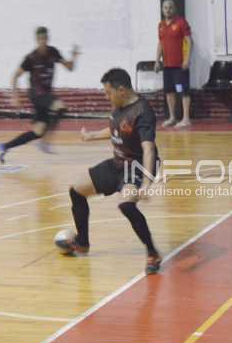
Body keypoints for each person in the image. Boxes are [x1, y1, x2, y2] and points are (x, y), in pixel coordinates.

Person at [57, 68, 162, 275]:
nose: (106, 97)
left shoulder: (143, 112)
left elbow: (149, 149)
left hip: (137, 167)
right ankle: (82, 243)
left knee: (126, 205)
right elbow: (117, 128)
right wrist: (92, 136)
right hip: (117, 164)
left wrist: (146, 183)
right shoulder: (119, 106)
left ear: (121, 90)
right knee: (76, 191)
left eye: (108, 93)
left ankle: (152, 253)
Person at [0, 26, 79, 163]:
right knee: (60, 107)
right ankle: (46, 142)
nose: (43, 41)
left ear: (48, 38)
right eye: (40, 39)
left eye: (45, 38)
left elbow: (69, 67)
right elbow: (15, 76)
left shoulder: (53, 52)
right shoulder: (31, 57)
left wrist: (74, 57)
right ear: (37, 40)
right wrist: (15, 96)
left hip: (46, 95)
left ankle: (4, 147)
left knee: (37, 132)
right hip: (36, 94)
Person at [155, 0, 192, 128]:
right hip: (167, 66)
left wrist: (187, 59)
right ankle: (172, 117)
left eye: (170, 7)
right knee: (169, 91)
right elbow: (160, 43)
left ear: (174, 9)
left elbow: (189, 41)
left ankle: (186, 119)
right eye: (165, 7)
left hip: (180, 66)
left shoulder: (181, 22)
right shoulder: (161, 25)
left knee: (182, 90)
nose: (168, 10)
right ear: (162, 10)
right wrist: (157, 60)